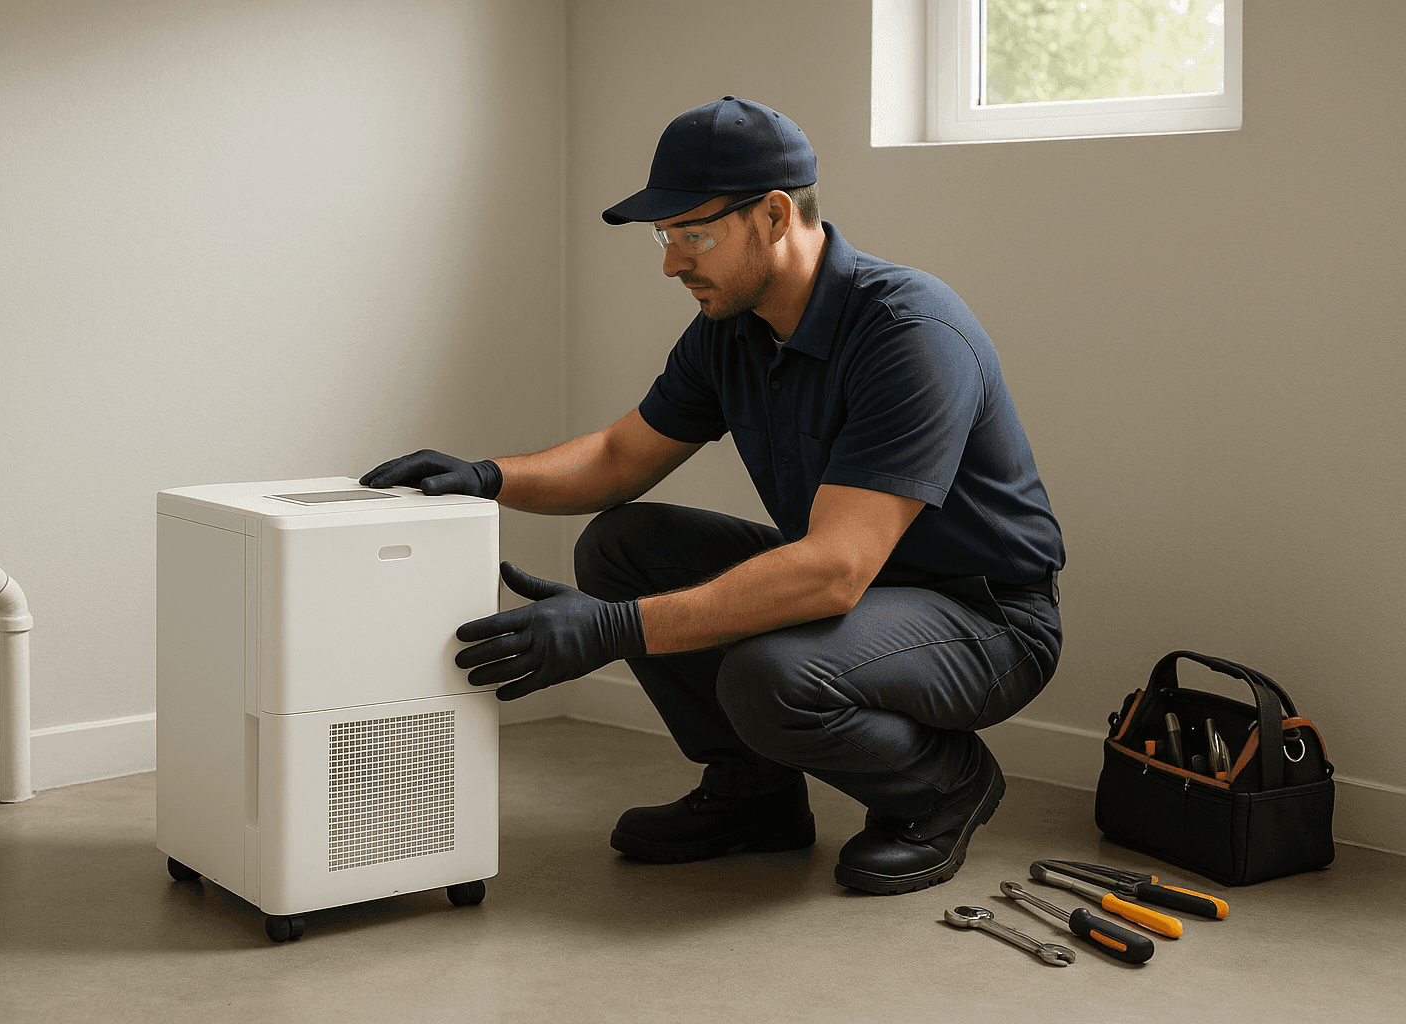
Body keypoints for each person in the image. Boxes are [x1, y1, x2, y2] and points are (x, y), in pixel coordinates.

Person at [360, 96, 1064, 895]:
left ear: (774, 216)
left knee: (769, 676)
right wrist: (487, 477)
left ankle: (943, 785)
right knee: (622, 546)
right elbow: (620, 457)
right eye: (665, 237)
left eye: (694, 235)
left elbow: (835, 570)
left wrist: (614, 629)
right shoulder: (733, 327)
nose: (672, 264)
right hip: (858, 586)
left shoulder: (909, 333)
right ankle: (754, 793)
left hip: (984, 617)